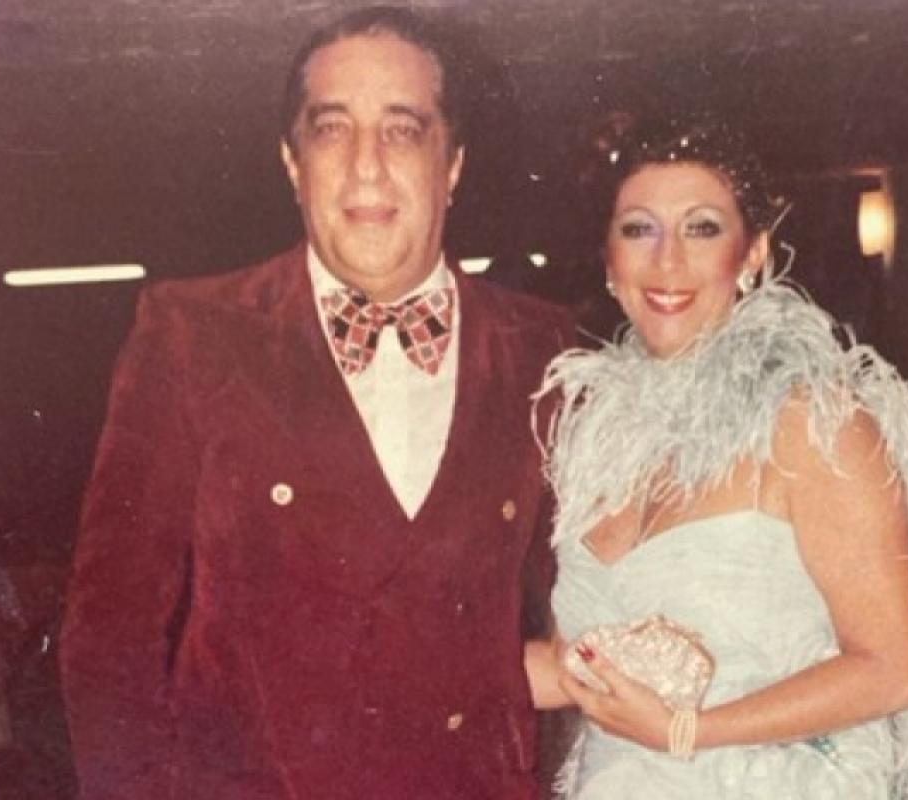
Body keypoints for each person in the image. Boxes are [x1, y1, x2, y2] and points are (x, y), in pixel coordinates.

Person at [59, 6, 573, 799]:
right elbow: (109, 635)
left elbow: (592, 601)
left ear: (452, 165)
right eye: (333, 130)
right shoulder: (193, 335)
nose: (367, 167)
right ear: (293, 164)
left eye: (402, 130)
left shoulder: (545, 351)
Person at [526, 117, 908, 797]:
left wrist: (689, 731)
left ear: (752, 253)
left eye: (702, 228)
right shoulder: (589, 442)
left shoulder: (814, 421)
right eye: (639, 230)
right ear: (609, 260)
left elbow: (894, 671)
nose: (667, 262)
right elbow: (568, 666)